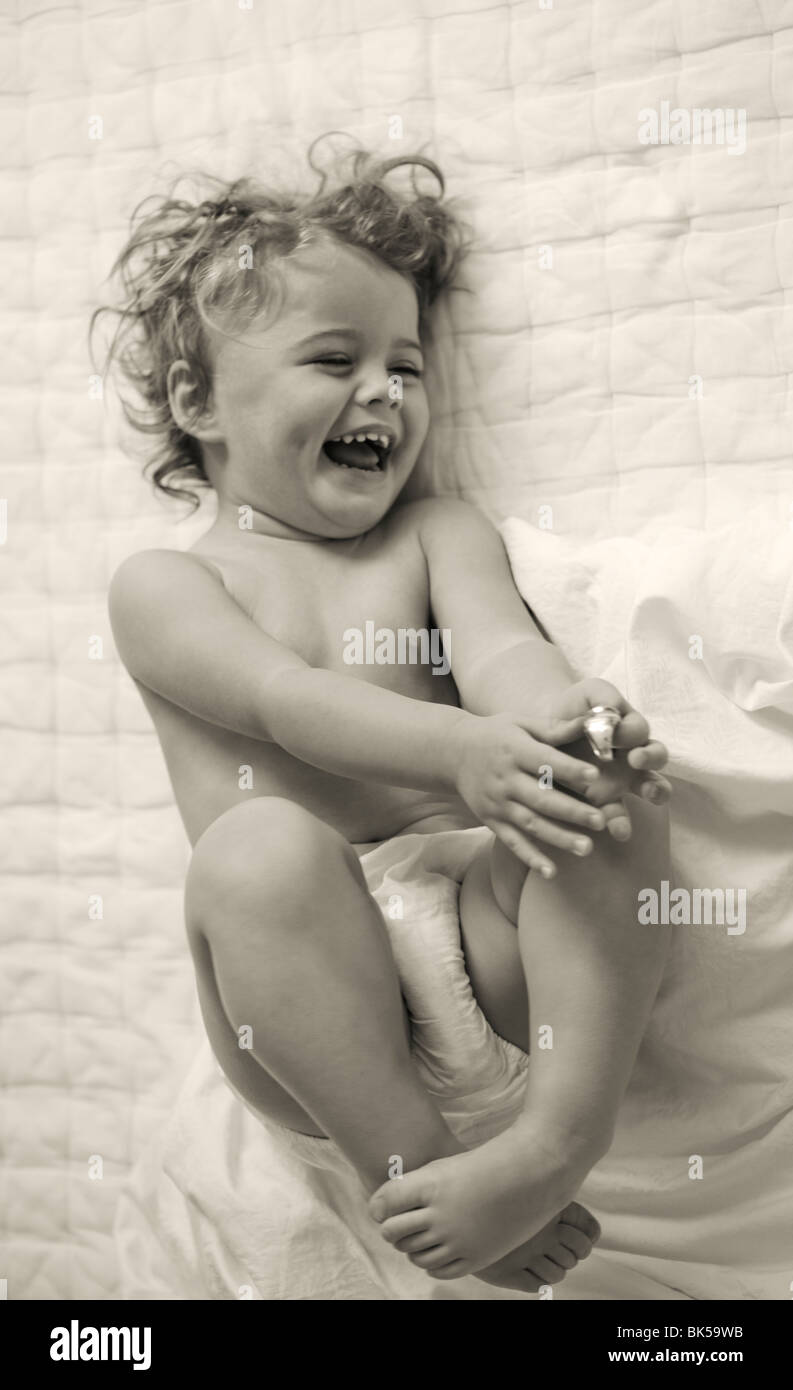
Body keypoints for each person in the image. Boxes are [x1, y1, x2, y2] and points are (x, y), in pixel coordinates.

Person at [94, 142, 672, 1295]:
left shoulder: (436, 533)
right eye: (333, 358)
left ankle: (559, 1138)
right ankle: (412, 1167)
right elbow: (287, 704)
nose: (385, 393)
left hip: (479, 933)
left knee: (605, 796)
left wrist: (559, 722)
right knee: (256, 850)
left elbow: (500, 650)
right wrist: (465, 749)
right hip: (307, 996)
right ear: (196, 400)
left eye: (406, 365)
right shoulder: (167, 587)